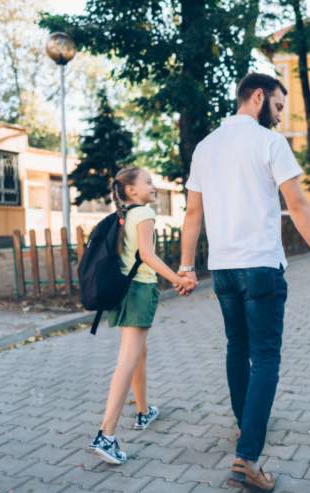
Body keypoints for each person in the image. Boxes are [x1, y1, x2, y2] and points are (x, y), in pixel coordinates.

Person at [177, 73, 310, 492]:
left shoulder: (205, 146)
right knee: (265, 357)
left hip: (224, 270)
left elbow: (192, 214)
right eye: (279, 107)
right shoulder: (269, 143)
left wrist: (186, 266)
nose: (280, 117)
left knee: (238, 346)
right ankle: (246, 458)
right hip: (262, 267)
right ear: (258, 96)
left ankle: (245, 424)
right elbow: (298, 205)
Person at [88, 167, 197, 465]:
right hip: (140, 291)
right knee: (127, 360)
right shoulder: (145, 214)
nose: (153, 185)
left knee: (139, 353)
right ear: (131, 190)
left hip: (124, 290)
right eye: (147, 181)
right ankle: (106, 434)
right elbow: (148, 256)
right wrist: (177, 278)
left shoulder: (126, 215)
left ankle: (143, 410)